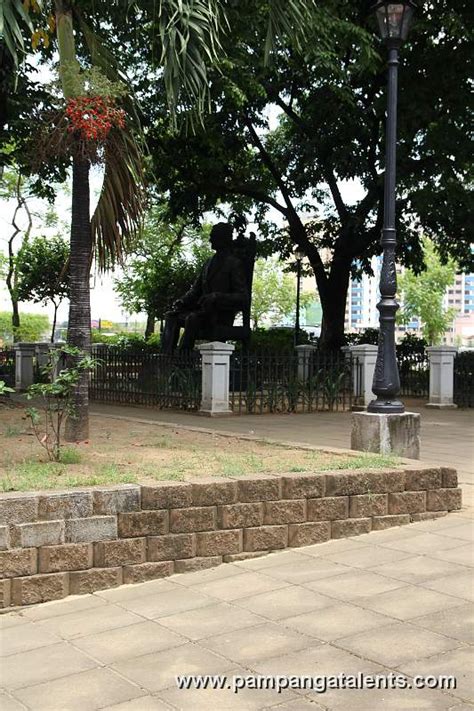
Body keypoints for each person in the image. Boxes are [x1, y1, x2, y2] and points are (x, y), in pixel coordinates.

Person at [161, 222, 249, 352]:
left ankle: (183, 360)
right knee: (171, 316)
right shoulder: (208, 263)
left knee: (192, 319)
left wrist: (217, 297)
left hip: (220, 315)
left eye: (213, 236)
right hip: (204, 313)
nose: (210, 239)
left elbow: (243, 297)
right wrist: (182, 301)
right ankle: (166, 358)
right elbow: (195, 290)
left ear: (222, 239)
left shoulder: (233, 264)